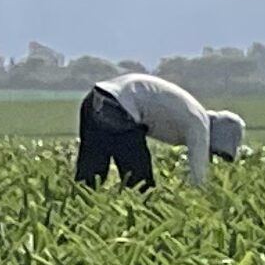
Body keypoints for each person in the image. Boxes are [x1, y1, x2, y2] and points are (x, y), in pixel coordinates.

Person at [74, 72, 241, 189]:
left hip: (96, 97)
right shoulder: (199, 124)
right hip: (119, 107)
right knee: (140, 182)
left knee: (91, 173)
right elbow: (199, 175)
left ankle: (76, 211)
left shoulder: (192, 111)